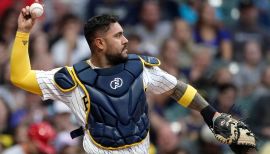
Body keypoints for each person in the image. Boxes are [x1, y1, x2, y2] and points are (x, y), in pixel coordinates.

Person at [10, 4, 256, 154]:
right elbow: (20, 77)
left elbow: (177, 88)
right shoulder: (73, 79)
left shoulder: (139, 67)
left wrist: (210, 114)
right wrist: (23, 32)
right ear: (99, 43)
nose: (126, 40)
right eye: (118, 36)